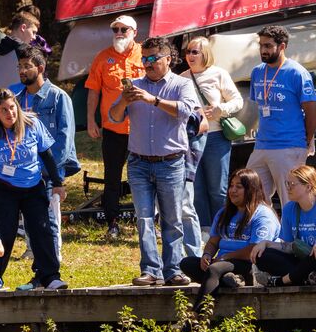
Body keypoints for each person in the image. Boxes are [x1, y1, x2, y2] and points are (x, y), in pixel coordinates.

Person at [110, 36, 199, 286]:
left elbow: (185, 111)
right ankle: (150, 269)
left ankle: (173, 270)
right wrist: (124, 101)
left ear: (168, 59)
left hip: (170, 162)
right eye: (144, 59)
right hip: (138, 162)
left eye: (153, 59)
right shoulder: (134, 86)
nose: (147, 64)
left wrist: (153, 100)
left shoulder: (182, 84)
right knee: (144, 217)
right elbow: (114, 117)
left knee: (172, 218)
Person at [0, 88, 66, 291]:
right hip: (4, 188)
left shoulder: (32, 123)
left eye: (12, 108)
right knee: (5, 234)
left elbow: (47, 156)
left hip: (33, 186)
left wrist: (58, 183)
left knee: (41, 230)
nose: (10, 113)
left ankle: (49, 276)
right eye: (4, 110)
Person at [11, 48, 78, 259]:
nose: (22, 71)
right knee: (29, 212)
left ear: (40, 68)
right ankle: (32, 249)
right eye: (20, 66)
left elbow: (65, 137)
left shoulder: (58, 97)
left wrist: (50, 168)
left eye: (27, 66)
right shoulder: (17, 100)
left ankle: (53, 253)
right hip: (25, 169)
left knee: (50, 215)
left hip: (49, 169)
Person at [85, 14, 143, 239]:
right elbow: (93, 92)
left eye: (124, 29)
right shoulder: (102, 58)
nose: (119, 33)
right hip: (112, 129)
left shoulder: (144, 55)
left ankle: (146, 219)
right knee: (112, 177)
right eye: (115, 30)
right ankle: (113, 222)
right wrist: (91, 120)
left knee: (144, 177)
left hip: (141, 128)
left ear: (134, 32)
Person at [182, 168, 277, 303]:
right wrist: (207, 255)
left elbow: (254, 250)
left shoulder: (263, 215)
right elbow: (213, 242)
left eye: (238, 187)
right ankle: (230, 279)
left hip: (249, 265)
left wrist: (225, 257)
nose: (232, 190)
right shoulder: (224, 213)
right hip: (223, 262)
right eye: (231, 186)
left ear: (251, 189)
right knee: (187, 263)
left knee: (214, 269)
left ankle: (195, 318)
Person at [248, 24, 316, 207]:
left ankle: (292, 235)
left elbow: (311, 110)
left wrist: (307, 139)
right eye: (261, 45)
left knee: (290, 198)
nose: (263, 50)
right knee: (252, 195)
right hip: (262, 144)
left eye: (268, 46)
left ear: (282, 46)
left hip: (289, 145)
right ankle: (268, 233)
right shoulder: (257, 72)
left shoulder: (297, 73)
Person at [181, 35, 244, 229]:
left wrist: (220, 110)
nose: (190, 56)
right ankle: (204, 229)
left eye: (194, 52)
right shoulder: (182, 77)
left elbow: (238, 101)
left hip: (216, 136)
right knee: (196, 187)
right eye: (187, 52)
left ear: (205, 54)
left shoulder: (219, 74)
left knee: (218, 188)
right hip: (191, 138)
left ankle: (224, 227)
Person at [262, 165, 316, 287]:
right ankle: (305, 276)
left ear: (308, 187)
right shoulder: (288, 209)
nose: (288, 188)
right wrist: (266, 244)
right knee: (263, 255)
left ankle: (282, 281)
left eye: (292, 184)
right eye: (287, 183)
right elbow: (289, 246)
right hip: (302, 260)